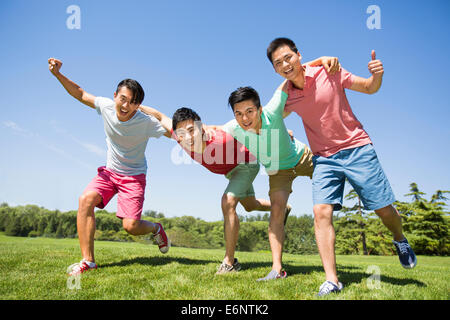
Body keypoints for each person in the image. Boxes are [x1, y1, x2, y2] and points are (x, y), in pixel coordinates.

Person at [266, 37, 417, 296]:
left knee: (384, 210)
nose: (285, 65)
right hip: (324, 158)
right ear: (275, 69)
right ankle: (332, 280)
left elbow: (370, 88)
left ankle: (399, 239)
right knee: (321, 211)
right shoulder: (286, 96)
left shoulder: (330, 71)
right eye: (278, 63)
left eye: (288, 58)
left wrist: (376, 75)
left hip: (357, 148)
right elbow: (269, 116)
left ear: (299, 55)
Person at [48, 58, 171, 276]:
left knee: (131, 227)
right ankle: (89, 261)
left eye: (132, 102)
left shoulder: (145, 122)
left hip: (133, 177)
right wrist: (58, 75)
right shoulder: (106, 106)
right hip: (110, 173)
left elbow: (176, 133)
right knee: (85, 200)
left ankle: (156, 228)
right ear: (115, 96)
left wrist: (200, 136)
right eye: (122, 99)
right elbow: (80, 93)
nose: (125, 106)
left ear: (138, 105)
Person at [138, 105, 285, 274]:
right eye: (182, 134)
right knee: (250, 205)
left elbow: (253, 130)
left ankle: (229, 263)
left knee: (227, 202)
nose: (188, 137)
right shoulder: (180, 136)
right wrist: (137, 106)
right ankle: (282, 209)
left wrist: (282, 134)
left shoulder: (222, 139)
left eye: (192, 130)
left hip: (246, 165)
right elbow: (159, 115)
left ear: (200, 127)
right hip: (231, 172)